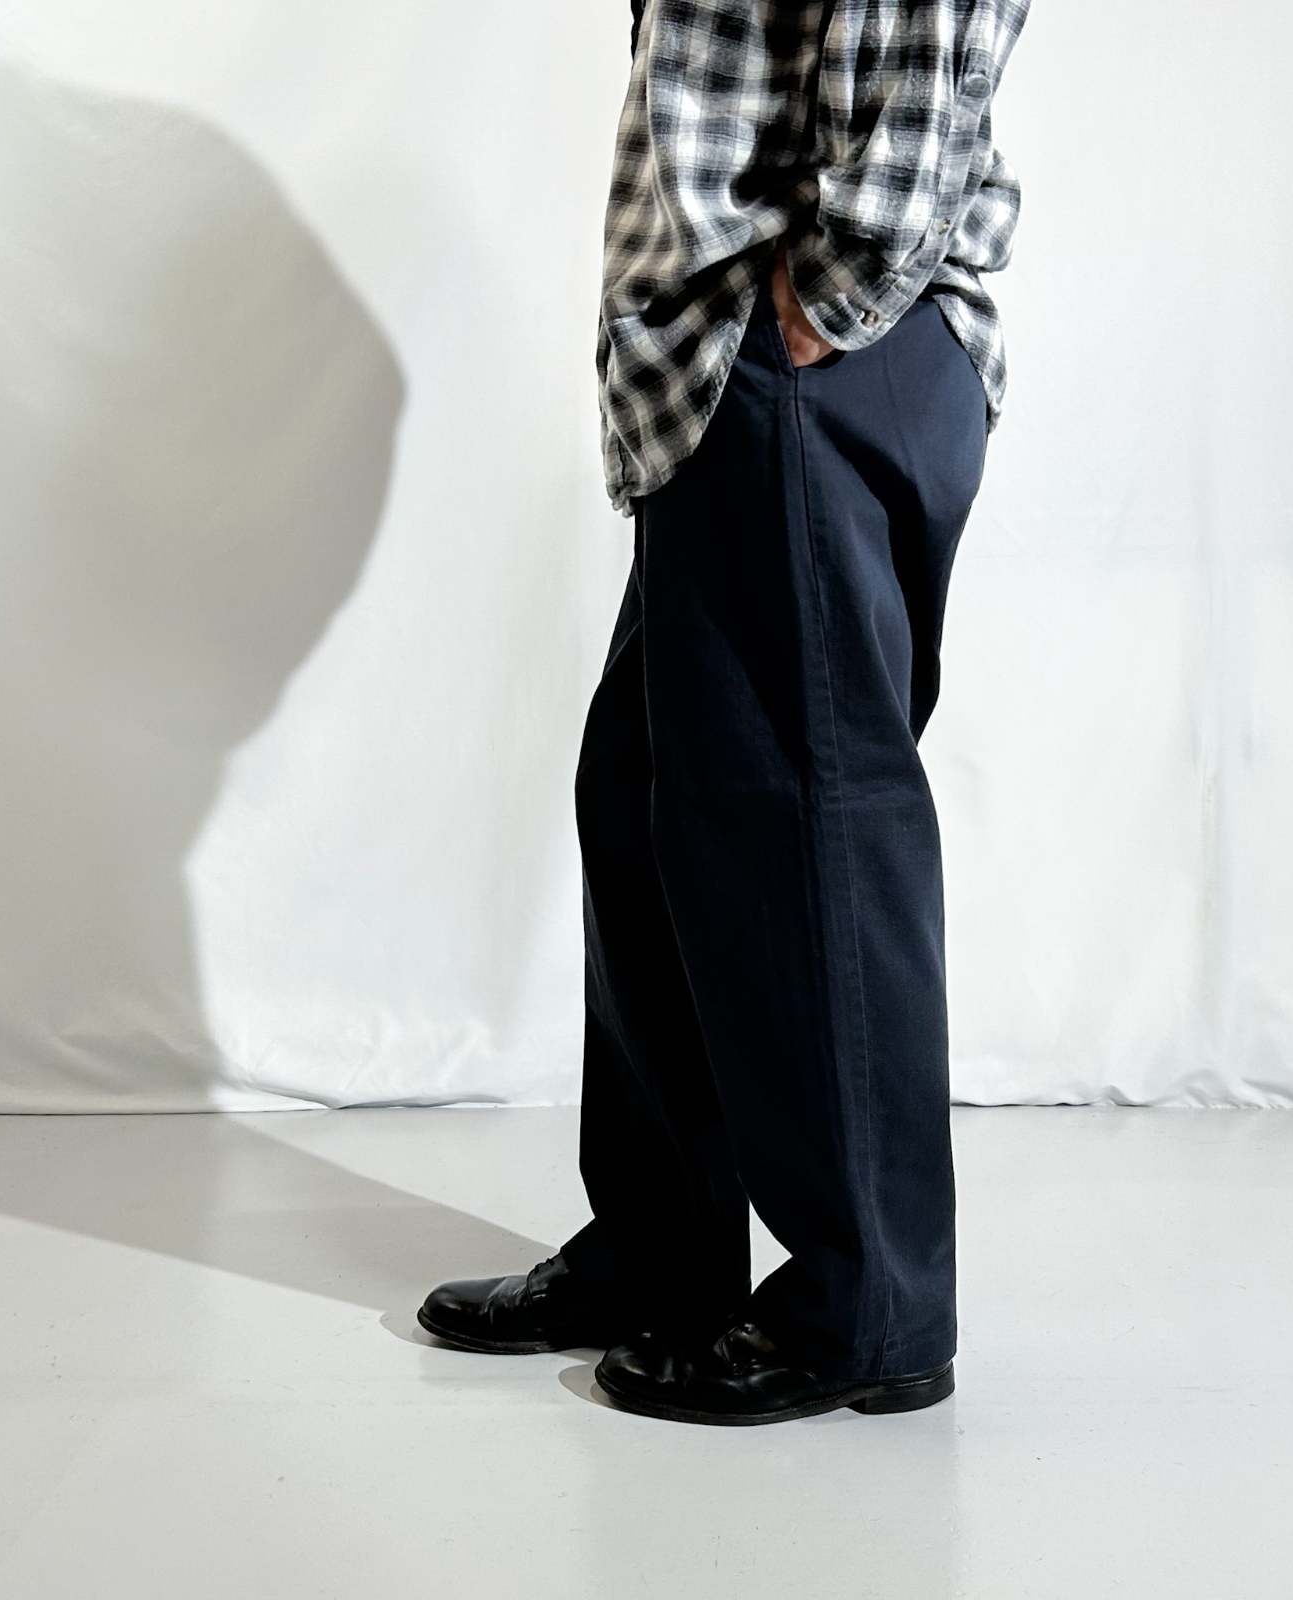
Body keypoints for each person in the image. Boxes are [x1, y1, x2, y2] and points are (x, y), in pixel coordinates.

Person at [420, 0, 1032, 1426]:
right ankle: (662, 1254)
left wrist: (829, 298)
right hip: (720, 365)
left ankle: (869, 1311)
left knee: (808, 830)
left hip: (814, 351)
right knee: (648, 798)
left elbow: (927, 43)